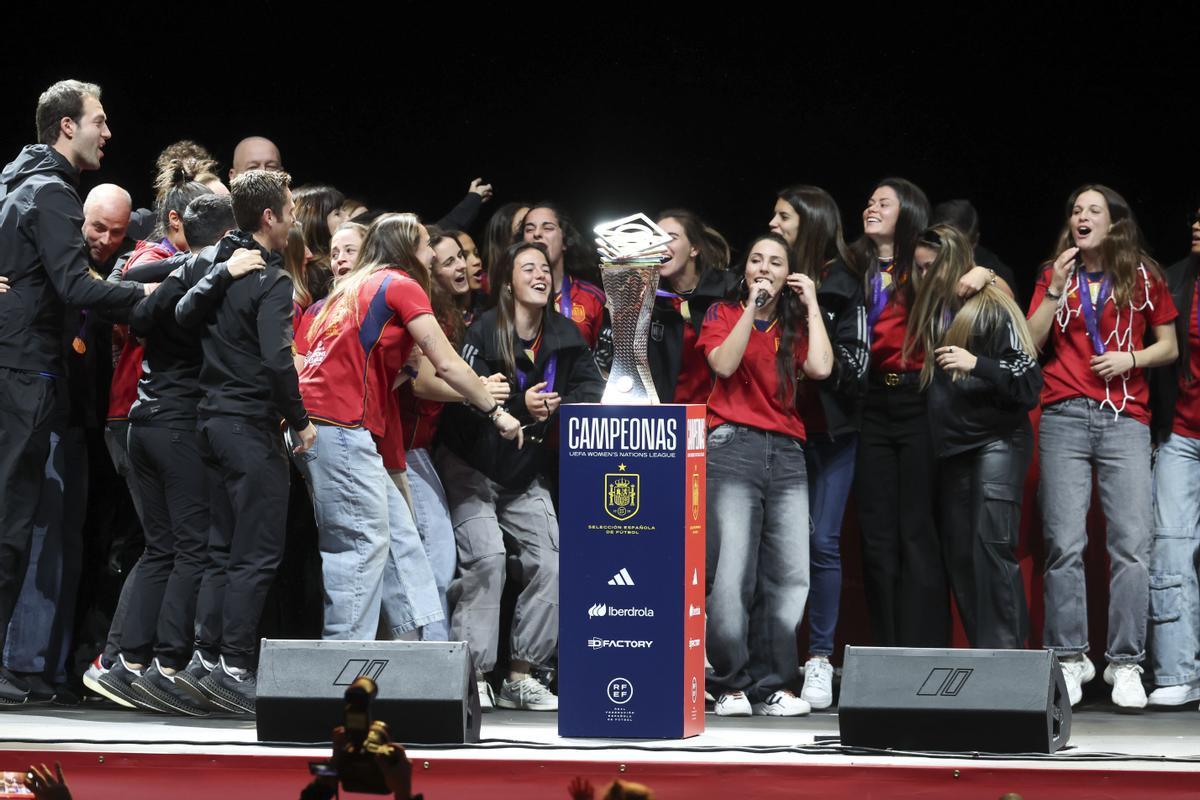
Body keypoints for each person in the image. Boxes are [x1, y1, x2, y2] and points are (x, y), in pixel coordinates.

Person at [295, 214, 521, 644]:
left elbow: (306, 366)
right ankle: (343, 662)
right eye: (424, 243)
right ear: (405, 249)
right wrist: (495, 411)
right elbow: (449, 363)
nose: (432, 252)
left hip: (329, 430)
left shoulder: (338, 297)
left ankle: (422, 650)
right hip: (339, 427)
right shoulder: (398, 283)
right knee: (360, 548)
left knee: (402, 540)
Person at [0, 79, 151, 705]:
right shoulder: (52, 193)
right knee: (11, 530)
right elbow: (76, 286)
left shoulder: (11, 184)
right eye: (99, 120)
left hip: (15, 372)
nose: (107, 133)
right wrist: (149, 293)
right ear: (67, 126)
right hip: (26, 375)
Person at [90, 194, 258, 715]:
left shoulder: (173, 273)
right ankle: (162, 666)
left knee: (161, 549)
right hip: (179, 425)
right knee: (191, 550)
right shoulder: (212, 280)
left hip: (142, 422)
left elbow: (146, 294)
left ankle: (123, 663)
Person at [1027, 184, 1178, 708]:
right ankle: (1070, 657)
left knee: (1131, 546)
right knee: (1064, 544)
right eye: (1075, 210)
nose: (1082, 217)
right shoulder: (1055, 273)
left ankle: (1126, 663)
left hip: (1125, 419)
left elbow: (1169, 345)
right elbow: (1030, 341)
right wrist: (1053, 292)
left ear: (1115, 223)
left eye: (1094, 210)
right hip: (1064, 416)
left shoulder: (1142, 275)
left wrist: (1130, 360)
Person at [172, 168, 317, 714]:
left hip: (207, 423)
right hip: (249, 428)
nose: (295, 219)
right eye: (290, 209)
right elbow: (279, 360)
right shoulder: (273, 281)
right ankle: (233, 666)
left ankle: (205, 662)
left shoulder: (219, 266)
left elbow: (182, 315)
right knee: (256, 554)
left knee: (220, 550)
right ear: (268, 218)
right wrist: (299, 420)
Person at [438, 241, 603, 711]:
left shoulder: (567, 333)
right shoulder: (483, 330)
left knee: (553, 562)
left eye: (545, 268)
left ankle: (520, 675)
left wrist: (555, 407)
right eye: (527, 268)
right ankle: (470, 677)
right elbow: (462, 404)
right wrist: (515, 405)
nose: (540, 275)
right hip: (471, 465)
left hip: (522, 469)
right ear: (507, 280)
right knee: (488, 558)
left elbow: (592, 389)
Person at [700, 232, 833, 717]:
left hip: (789, 453)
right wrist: (751, 311)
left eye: (775, 262)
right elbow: (723, 362)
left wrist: (812, 301)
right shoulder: (722, 314)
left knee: (791, 573)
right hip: (733, 444)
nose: (764, 268)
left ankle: (773, 684)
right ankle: (728, 682)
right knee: (732, 572)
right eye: (756, 259)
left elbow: (820, 367)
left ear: (789, 274)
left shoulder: (794, 324)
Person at [906, 224, 1041, 649]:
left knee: (992, 547)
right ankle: (986, 657)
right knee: (961, 558)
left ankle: (1009, 663)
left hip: (997, 441)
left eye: (933, 268)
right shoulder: (931, 313)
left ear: (954, 265)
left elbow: (1029, 381)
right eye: (919, 268)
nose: (924, 276)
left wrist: (976, 362)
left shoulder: (991, 306)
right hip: (954, 448)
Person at [769, 185, 868, 709]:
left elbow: (853, 371)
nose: (774, 221)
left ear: (808, 221)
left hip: (831, 436)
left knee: (822, 543)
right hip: (779, 432)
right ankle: (774, 663)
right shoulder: (768, 272)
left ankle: (820, 660)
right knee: (777, 551)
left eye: (783, 215)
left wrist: (813, 309)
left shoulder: (843, 280)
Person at [849, 177, 951, 649]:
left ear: (907, 211)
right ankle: (882, 654)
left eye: (883, 203)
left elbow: (978, 272)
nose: (871, 208)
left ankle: (924, 651)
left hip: (918, 401)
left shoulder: (927, 263)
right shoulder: (851, 266)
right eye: (869, 202)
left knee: (916, 531)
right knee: (876, 537)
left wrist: (985, 276)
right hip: (870, 406)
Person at [1147, 202, 1200, 707]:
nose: (1198, 225)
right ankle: (1179, 671)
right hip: (1181, 435)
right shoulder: (1177, 278)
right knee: (1170, 547)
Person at [648, 209, 733, 404]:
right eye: (656, 239)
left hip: (720, 419)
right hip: (668, 418)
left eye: (671, 237)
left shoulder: (727, 291)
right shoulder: (648, 299)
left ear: (694, 248)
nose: (661, 245)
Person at [521, 203, 606, 348]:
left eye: (547, 228)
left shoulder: (593, 298)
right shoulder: (509, 297)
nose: (537, 233)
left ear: (565, 242)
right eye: (529, 229)